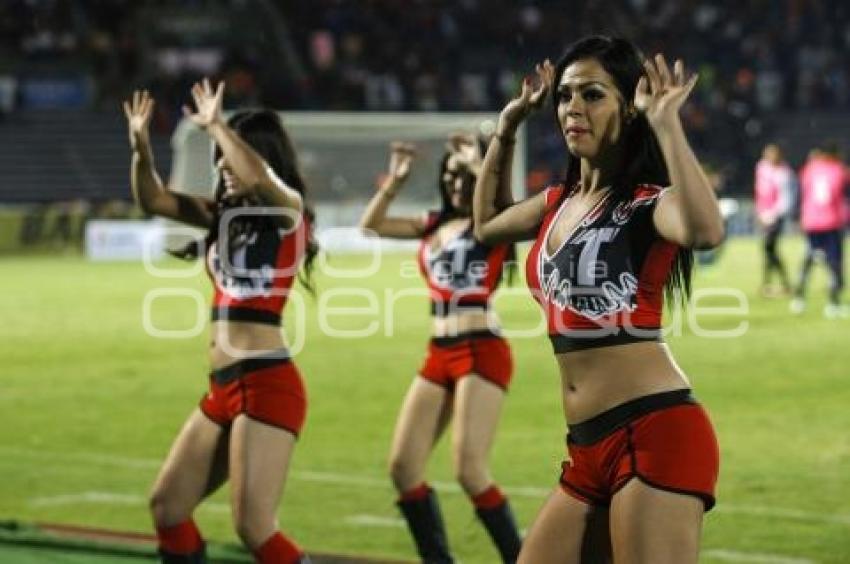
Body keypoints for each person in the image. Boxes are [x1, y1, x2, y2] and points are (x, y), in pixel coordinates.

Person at [473, 36, 724, 564]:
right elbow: (486, 224)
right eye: (565, 96)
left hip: (655, 432)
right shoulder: (554, 203)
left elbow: (704, 230)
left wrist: (667, 124)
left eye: (593, 95)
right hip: (586, 447)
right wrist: (508, 126)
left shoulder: (646, 205)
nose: (573, 109)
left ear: (628, 106)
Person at [124, 81, 316, 564]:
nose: (222, 166)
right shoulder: (219, 218)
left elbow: (257, 178)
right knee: (168, 507)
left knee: (255, 528)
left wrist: (216, 127)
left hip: (267, 383)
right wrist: (141, 150)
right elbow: (154, 201)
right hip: (223, 388)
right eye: (219, 159)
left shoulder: (287, 212)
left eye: (229, 157)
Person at [359, 137, 522, 563]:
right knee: (403, 467)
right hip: (440, 350)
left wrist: (479, 162)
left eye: (463, 175)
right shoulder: (431, 224)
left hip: (481, 349)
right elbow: (371, 224)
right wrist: (395, 181)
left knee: (470, 471)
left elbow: (507, 205)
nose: (455, 182)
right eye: (449, 173)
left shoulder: (492, 224)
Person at [791, 142, 848, 318]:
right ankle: (833, 304)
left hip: (811, 222)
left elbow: (800, 195)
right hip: (832, 222)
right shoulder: (839, 170)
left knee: (809, 259)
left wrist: (799, 217)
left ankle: (799, 300)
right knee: (834, 263)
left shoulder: (808, 170)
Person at [754, 143, 793, 296]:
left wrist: (772, 215)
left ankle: (776, 283)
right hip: (763, 215)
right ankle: (773, 283)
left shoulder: (783, 173)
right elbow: (759, 191)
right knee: (769, 250)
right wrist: (760, 212)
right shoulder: (761, 167)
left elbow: (785, 200)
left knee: (768, 247)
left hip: (775, 217)